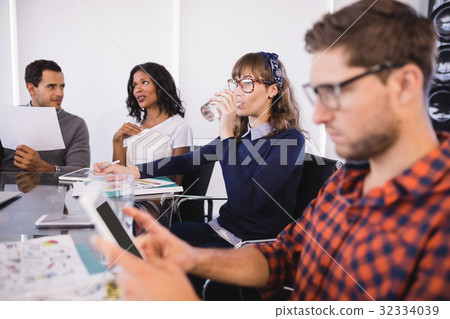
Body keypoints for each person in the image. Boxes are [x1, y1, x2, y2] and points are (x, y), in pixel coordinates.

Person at [93, 0, 450, 301]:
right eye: (318, 93)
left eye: (336, 91)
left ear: (404, 85)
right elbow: (285, 256)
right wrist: (186, 257)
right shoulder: (348, 182)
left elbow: (248, 205)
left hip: (241, 237)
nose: (322, 115)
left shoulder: (438, 219)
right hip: (228, 236)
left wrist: (186, 303)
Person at [95, 52, 306, 249]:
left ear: (273, 90)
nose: (237, 92)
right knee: (138, 240)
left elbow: (244, 205)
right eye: (236, 83)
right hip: (219, 230)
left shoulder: (289, 140)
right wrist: (131, 171)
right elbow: (185, 162)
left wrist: (226, 133)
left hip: (247, 246)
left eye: (248, 83)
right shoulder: (242, 136)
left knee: (155, 255)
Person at [0, 60, 90, 173]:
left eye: (62, 87)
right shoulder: (8, 118)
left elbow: (80, 172)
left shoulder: (75, 125)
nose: (60, 93)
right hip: (7, 189)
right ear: (31, 89)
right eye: (51, 87)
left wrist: (45, 168)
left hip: (55, 190)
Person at [112, 62, 192, 186]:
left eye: (144, 82)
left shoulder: (179, 127)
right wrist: (117, 140)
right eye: (134, 85)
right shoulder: (134, 125)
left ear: (161, 87)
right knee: (91, 203)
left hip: (155, 200)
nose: (137, 89)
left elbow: (174, 183)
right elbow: (117, 177)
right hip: (128, 195)